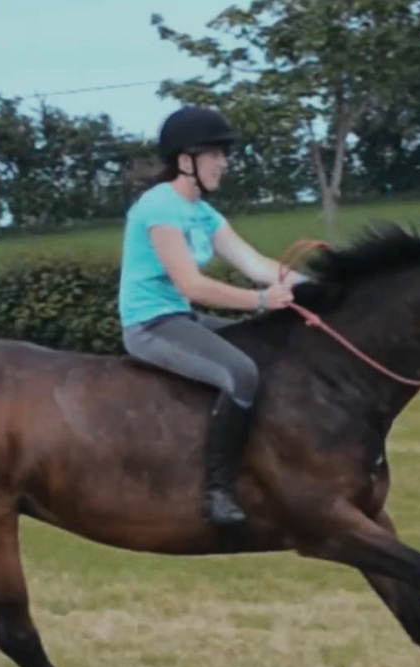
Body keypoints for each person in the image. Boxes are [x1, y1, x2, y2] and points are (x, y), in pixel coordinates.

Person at [118, 105, 306, 527]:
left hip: (183, 320)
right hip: (151, 326)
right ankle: (217, 490)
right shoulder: (159, 208)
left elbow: (256, 264)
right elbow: (193, 286)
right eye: (215, 155)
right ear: (186, 162)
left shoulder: (203, 212)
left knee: (266, 348)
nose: (224, 163)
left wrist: (317, 288)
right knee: (241, 372)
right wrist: (262, 303)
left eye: (224, 155)